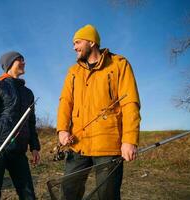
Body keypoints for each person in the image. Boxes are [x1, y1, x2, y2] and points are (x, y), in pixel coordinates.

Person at [57, 24, 141, 200]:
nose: (74, 47)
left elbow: (130, 103)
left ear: (91, 42)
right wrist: (63, 130)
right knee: (67, 192)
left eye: (78, 42)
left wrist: (129, 139)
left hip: (108, 144)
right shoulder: (73, 72)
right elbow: (65, 102)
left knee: (107, 195)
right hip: (78, 143)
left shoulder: (119, 64)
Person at [0, 51, 41, 200]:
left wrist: (35, 147)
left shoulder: (28, 93)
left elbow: (31, 123)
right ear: (10, 63)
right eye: (20, 59)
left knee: (28, 195)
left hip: (19, 152)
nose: (24, 62)